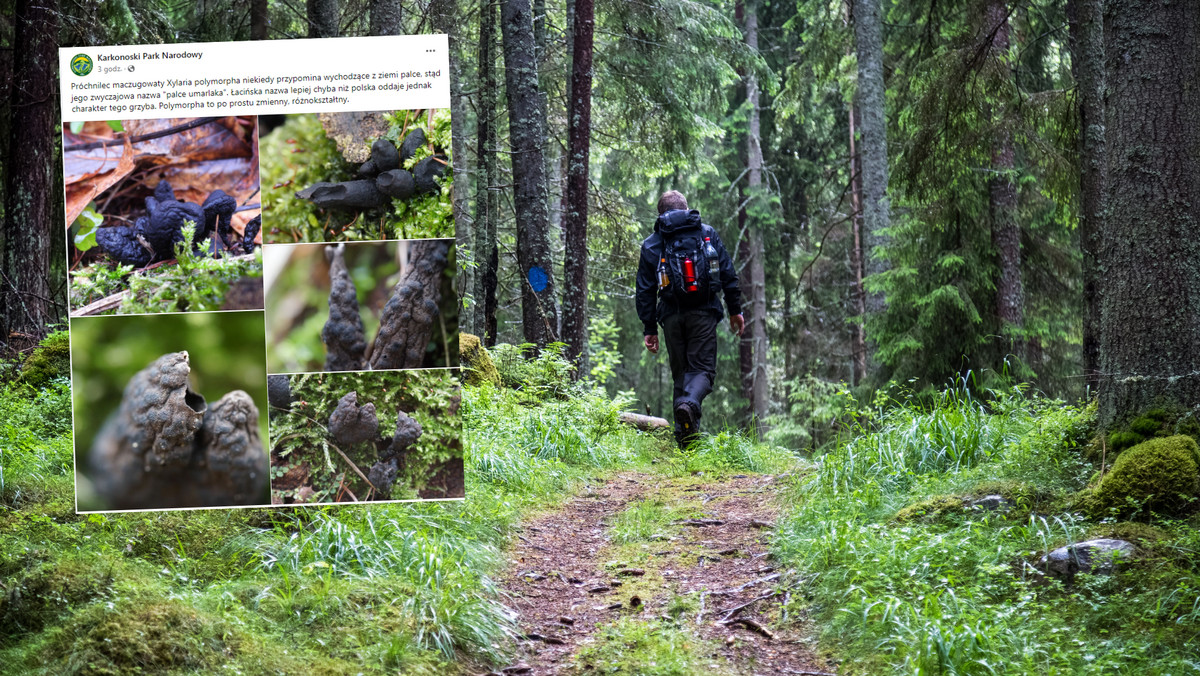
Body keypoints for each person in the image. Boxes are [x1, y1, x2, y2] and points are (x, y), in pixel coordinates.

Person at [636, 190, 744, 448]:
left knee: (682, 376)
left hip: (671, 315)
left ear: (660, 214)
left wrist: (649, 327)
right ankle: (688, 411)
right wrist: (735, 309)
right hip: (704, 311)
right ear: (686, 208)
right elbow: (727, 272)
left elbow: (645, 290)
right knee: (703, 371)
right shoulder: (706, 233)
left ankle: (686, 443)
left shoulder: (652, 243)